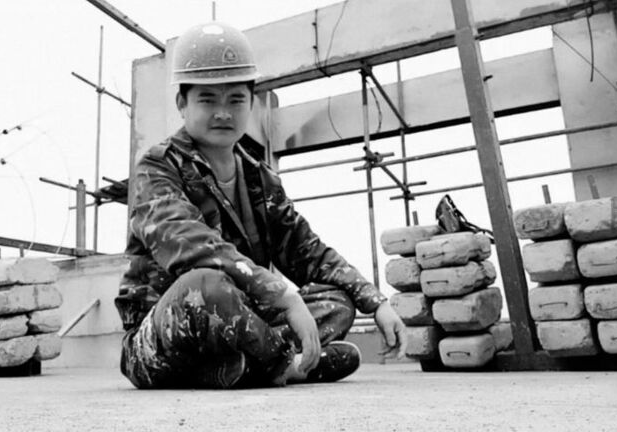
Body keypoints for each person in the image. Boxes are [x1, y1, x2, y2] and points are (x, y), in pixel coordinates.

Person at [115, 22, 406, 389]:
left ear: (250, 103)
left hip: (240, 321)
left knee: (337, 302)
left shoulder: (260, 179)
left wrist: (375, 302)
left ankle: (239, 367)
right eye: (207, 99)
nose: (223, 112)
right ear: (182, 104)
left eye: (235, 99)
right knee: (206, 285)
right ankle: (284, 364)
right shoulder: (157, 167)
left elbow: (307, 251)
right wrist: (281, 295)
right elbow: (189, 243)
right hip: (165, 339)